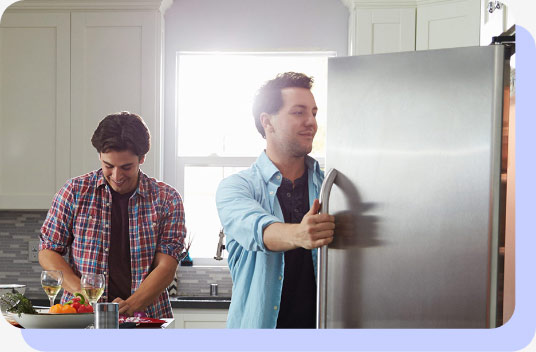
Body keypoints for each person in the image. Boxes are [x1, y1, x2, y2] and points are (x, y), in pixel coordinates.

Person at [216, 72, 336, 328]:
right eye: (298, 112)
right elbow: (258, 229)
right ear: (267, 121)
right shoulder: (236, 188)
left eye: (314, 113)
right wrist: (300, 235)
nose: (311, 122)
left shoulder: (330, 188)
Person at [39, 111, 186, 319]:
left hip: (146, 319)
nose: (117, 176)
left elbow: (167, 264)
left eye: (126, 167)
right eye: (109, 166)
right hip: (83, 316)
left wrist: (131, 305)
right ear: (99, 155)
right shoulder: (74, 191)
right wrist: (84, 294)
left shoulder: (167, 199)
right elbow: (48, 250)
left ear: (142, 158)